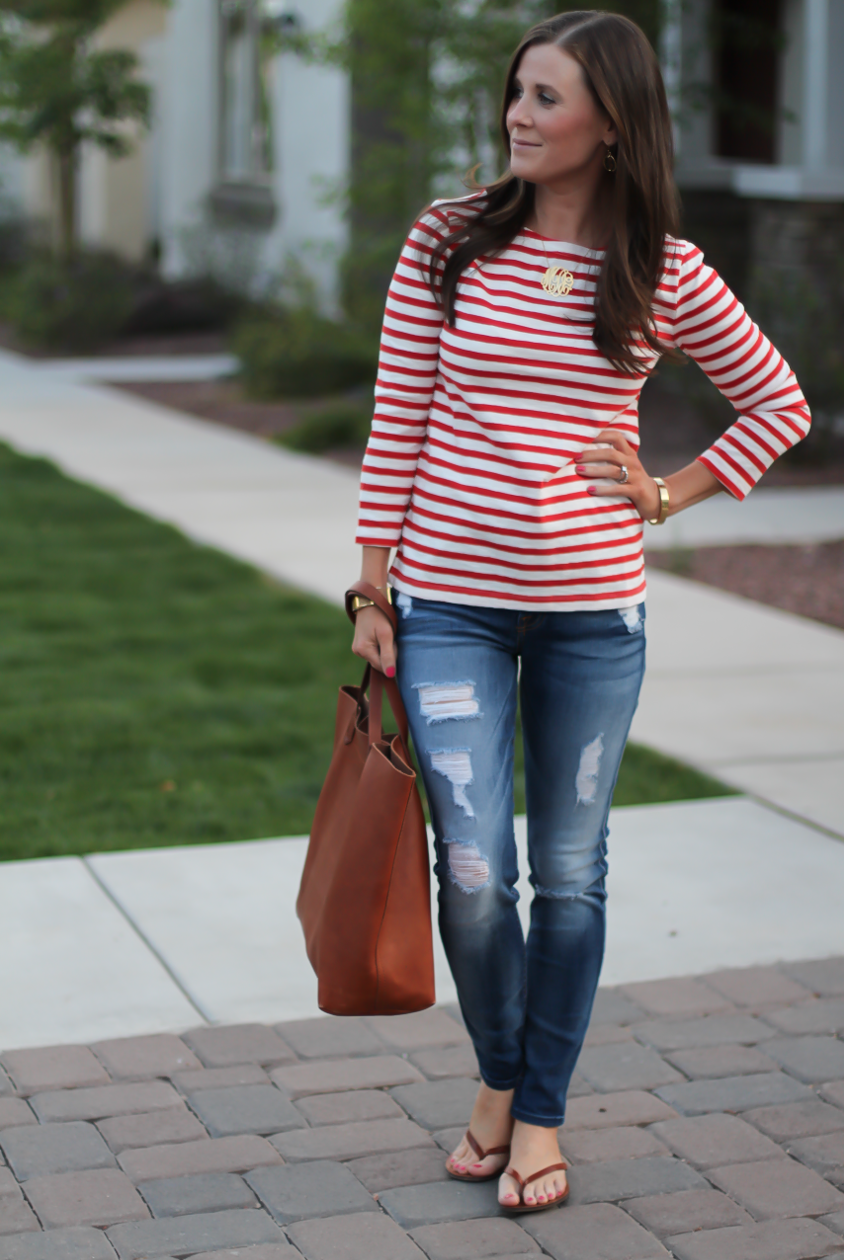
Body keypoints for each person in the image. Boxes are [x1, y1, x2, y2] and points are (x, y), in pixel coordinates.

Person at [350, 9, 810, 1214]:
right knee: (472, 865)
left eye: (547, 98)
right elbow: (397, 416)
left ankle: (534, 1112)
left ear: (612, 123)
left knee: (569, 871)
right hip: (449, 607)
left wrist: (664, 493)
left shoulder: (658, 266)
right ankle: (502, 1074)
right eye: (517, 91)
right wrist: (368, 582)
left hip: (591, 619)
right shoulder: (450, 236)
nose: (518, 113)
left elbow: (777, 404)